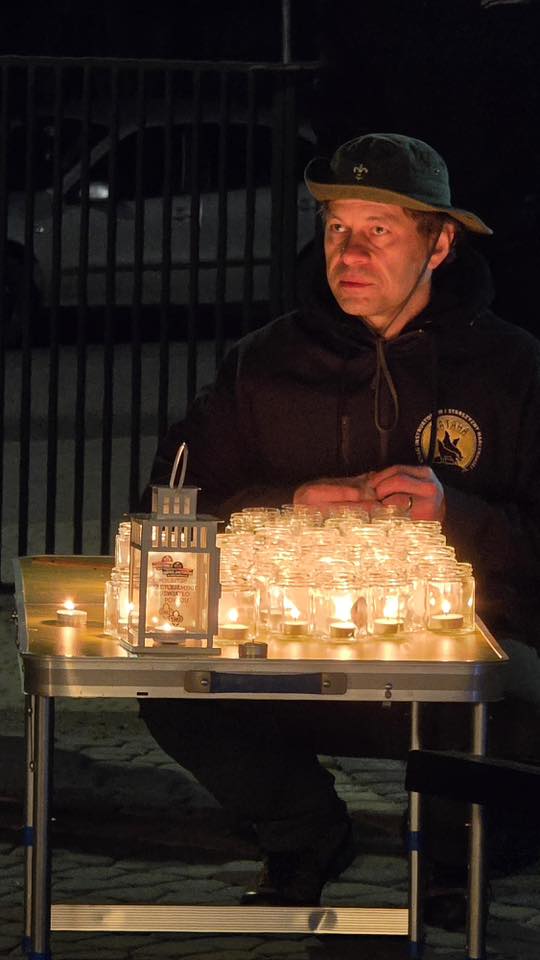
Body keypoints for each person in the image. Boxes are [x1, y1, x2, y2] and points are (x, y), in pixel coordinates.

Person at [140, 133, 540, 908]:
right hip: (293, 656)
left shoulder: (513, 370)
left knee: (514, 700)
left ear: (439, 244)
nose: (349, 253)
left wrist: (454, 515)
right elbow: (171, 506)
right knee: (175, 690)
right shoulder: (264, 364)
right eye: (336, 229)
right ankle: (303, 833)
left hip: (456, 661)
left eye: (378, 231)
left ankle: (462, 850)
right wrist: (285, 506)